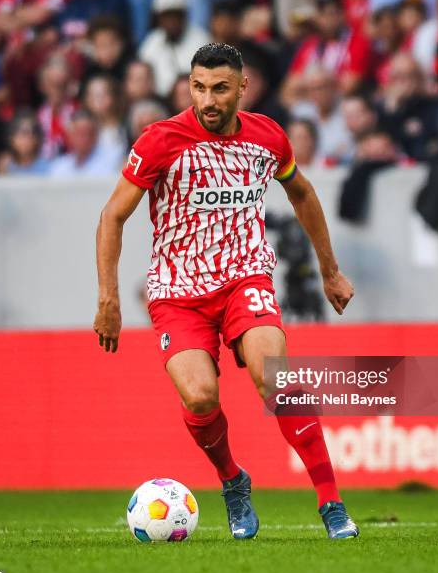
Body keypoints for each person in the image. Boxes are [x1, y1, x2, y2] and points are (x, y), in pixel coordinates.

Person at [93, 43, 358, 541]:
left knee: (275, 379)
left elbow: (301, 192)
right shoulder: (160, 141)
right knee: (199, 396)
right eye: (198, 87)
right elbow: (113, 215)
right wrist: (108, 297)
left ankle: (331, 502)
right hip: (177, 289)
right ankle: (233, 482)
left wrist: (330, 270)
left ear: (242, 87)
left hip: (245, 277)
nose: (208, 100)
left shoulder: (267, 137)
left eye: (219, 88)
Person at [138, 0, 210, 96]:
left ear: (184, 16)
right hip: (160, 101)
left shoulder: (201, 39)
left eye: (176, 15)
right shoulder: (152, 42)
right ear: (159, 19)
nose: (171, 21)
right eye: (166, 16)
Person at [49, 109, 123, 177]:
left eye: (89, 133)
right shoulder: (59, 167)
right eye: (80, 133)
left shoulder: (113, 161)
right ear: (70, 135)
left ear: (96, 135)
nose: (85, 138)